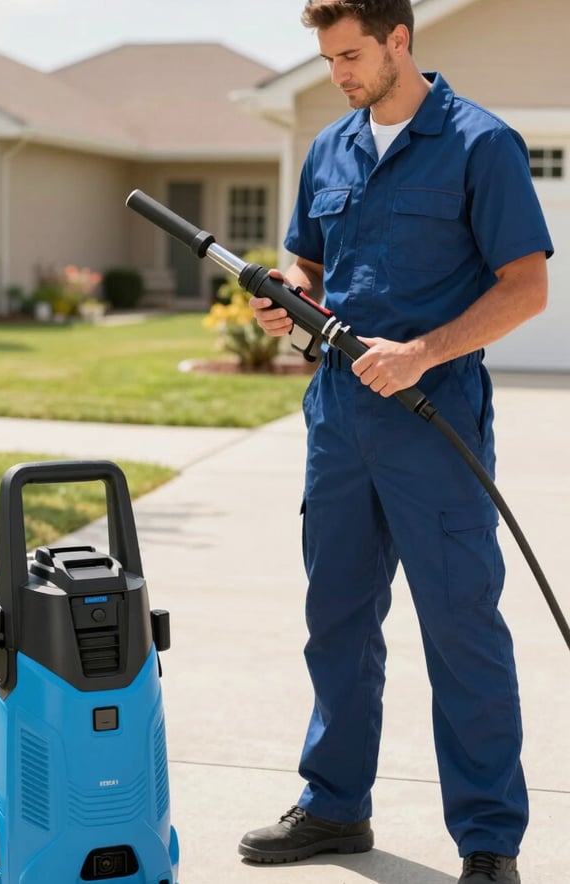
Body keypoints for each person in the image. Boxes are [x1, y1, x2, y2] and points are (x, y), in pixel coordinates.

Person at [237, 2, 553, 883]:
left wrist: (422, 352)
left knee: (460, 629)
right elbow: (309, 267)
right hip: (338, 419)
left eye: (351, 55)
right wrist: (285, 304)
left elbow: (526, 289)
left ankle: (489, 840)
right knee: (336, 617)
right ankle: (335, 806)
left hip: (435, 417)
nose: (338, 73)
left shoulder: (478, 144)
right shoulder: (329, 149)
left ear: (399, 41)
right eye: (328, 57)